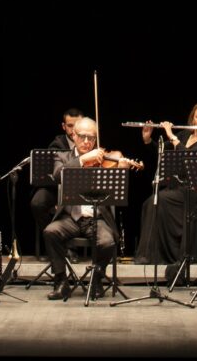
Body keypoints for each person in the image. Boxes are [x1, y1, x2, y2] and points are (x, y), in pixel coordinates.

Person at [43, 117, 132, 300]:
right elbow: (59, 175)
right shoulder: (63, 156)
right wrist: (83, 160)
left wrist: (121, 171)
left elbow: (116, 192)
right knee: (50, 232)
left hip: (97, 218)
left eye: (91, 138)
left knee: (107, 242)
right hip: (71, 218)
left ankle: (97, 277)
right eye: (82, 137)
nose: (86, 142)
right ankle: (61, 281)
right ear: (73, 135)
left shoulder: (104, 159)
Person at [134, 102, 197, 282]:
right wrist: (148, 139)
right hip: (179, 188)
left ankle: (174, 256)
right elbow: (162, 152)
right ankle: (151, 256)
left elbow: (187, 157)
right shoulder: (185, 134)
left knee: (162, 199)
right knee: (151, 201)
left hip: (196, 191)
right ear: (192, 118)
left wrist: (172, 136)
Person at [30, 108, 84, 238]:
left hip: (82, 187)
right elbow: (56, 174)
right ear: (63, 126)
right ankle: (58, 241)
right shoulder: (57, 144)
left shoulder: (90, 141)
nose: (73, 130)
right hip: (57, 186)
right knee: (38, 202)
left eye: (77, 126)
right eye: (70, 126)